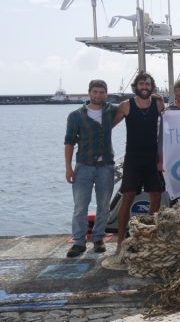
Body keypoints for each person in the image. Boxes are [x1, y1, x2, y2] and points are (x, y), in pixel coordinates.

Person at [112, 71, 166, 254]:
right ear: (136, 87)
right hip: (133, 159)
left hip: (152, 159)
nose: (144, 87)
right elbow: (108, 126)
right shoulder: (126, 105)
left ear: (152, 87)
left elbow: (169, 126)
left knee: (156, 196)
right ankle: (120, 240)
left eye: (148, 84)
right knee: (127, 197)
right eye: (141, 84)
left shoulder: (158, 104)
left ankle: (147, 235)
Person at [64, 79, 117, 258]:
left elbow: (129, 106)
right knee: (80, 206)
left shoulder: (111, 110)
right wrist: (68, 168)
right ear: (89, 93)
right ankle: (78, 242)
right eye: (95, 92)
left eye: (101, 92)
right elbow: (69, 142)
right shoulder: (76, 115)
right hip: (83, 166)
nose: (98, 95)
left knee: (103, 205)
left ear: (106, 94)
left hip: (106, 166)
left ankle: (98, 239)